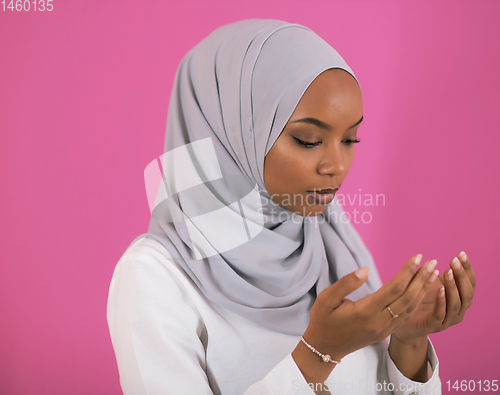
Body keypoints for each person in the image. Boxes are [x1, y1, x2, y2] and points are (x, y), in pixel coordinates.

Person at [106, 18, 475, 395]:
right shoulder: (154, 276)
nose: (337, 166)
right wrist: (317, 354)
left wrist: (408, 342)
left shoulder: (331, 241)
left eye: (350, 139)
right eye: (308, 139)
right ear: (234, 133)